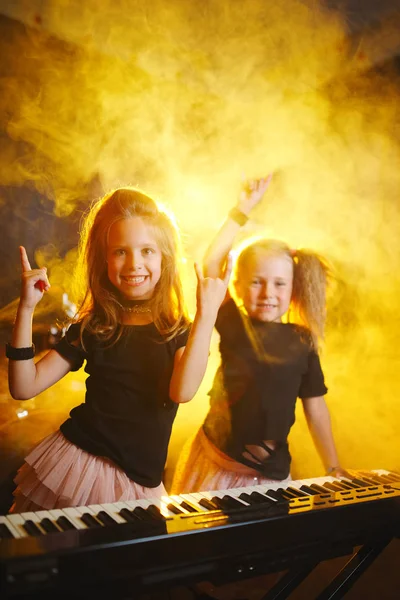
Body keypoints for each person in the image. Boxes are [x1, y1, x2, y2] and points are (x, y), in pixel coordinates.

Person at [7, 187, 231, 512]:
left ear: (165, 256)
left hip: (140, 483)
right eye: (120, 252)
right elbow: (24, 386)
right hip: (78, 467)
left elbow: (182, 392)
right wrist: (26, 308)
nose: (133, 264)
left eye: (147, 251)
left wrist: (207, 314)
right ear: (105, 259)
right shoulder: (95, 326)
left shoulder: (180, 330)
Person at [171, 176, 348, 494]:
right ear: (236, 286)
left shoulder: (303, 340)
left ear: (293, 289)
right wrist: (241, 210)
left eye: (279, 283)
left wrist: (332, 465)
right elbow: (211, 262)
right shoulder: (234, 324)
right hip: (217, 464)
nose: (268, 292)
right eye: (257, 282)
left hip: (271, 476)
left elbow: (316, 408)